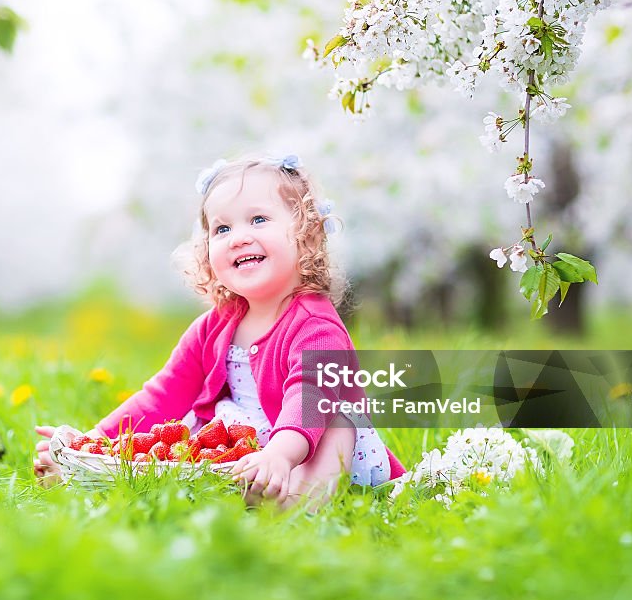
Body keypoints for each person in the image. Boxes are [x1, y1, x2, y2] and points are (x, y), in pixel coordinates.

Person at [35, 155, 405, 505]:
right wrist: (93, 442)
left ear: (306, 234)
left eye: (258, 219)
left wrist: (279, 454)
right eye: (222, 228)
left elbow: (308, 398)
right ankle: (108, 477)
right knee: (187, 432)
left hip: (301, 447)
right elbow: (162, 395)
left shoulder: (315, 326)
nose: (238, 237)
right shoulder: (214, 326)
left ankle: (300, 504)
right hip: (245, 451)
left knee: (336, 421)